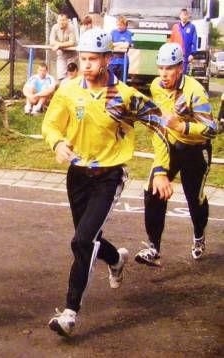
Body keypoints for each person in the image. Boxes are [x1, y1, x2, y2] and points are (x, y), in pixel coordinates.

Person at [41, 29, 172, 337]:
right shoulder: (69, 90)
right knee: (88, 238)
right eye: (82, 59)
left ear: (108, 59)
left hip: (109, 176)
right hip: (77, 175)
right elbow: (50, 123)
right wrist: (57, 142)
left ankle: (70, 312)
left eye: (92, 59)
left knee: (82, 241)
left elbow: (159, 126)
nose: (86, 65)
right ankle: (116, 258)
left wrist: (162, 169)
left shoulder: (124, 96)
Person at [136, 43, 218, 266]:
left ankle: (199, 235)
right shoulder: (156, 86)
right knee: (153, 190)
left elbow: (212, 129)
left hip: (196, 149)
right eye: (160, 68)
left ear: (180, 67)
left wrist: (183, 127)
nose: (163, 74)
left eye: (169, 68)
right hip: (172, 145)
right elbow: (161, 125)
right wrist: (161, 165)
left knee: (194, 199)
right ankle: (153, 247)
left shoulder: (195, 92)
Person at [50, 13, 77, 81]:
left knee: (72, 76)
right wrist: (60, 44)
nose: (61, 22)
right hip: (61, 54)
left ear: (67, 20)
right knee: (61, 76)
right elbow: (51, 41)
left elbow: (72, 42)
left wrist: (59, 45)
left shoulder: (71, 27)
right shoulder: (55, 27)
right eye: (60, 20)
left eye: (63, 20)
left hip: (72, 55)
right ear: (57, 20)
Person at [170, 9, 197, 74]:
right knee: (174, 73)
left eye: (185, 15)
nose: (184, 17)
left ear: (188, 16)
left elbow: (194, 41)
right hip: (175, 55)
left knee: (182, 74)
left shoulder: (192, 27)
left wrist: (192, 54)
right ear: (180, 16)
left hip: (185, 56)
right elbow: (171, 41)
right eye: (182, 15)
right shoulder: (175, 27)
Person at [109, 16, 133, 82]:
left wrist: (115, 44)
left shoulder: (128, 33)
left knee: (122, 82)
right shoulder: (113, 32)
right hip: (112, 62)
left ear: (126, 26)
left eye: (121, 25)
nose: (119, 27)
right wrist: (120, 44)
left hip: (123, 62)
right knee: (111, 81)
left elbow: (126, 45)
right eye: (118, 25)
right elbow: (110, 46)